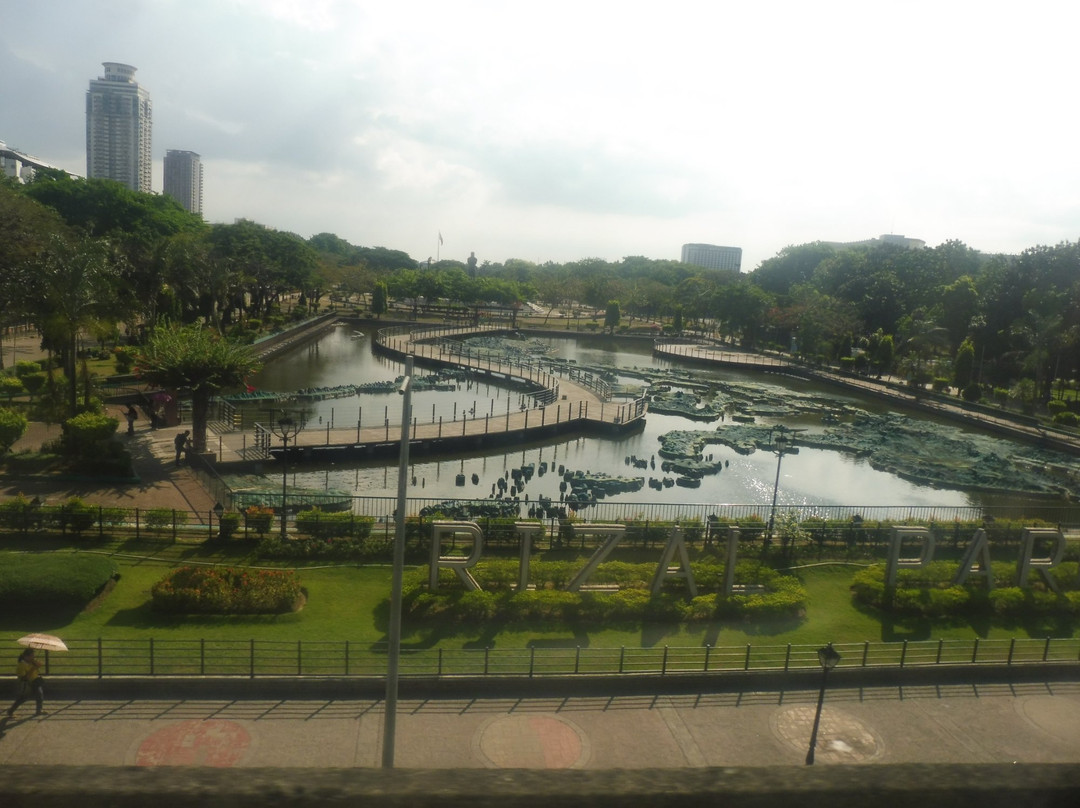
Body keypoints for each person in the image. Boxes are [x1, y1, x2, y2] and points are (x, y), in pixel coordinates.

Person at [6, 647, 44, 717]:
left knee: (39, 695)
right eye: (32, 656)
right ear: (26, 656)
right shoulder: (21, 665)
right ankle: (10, 711)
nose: (33, 658)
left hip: (35, 681)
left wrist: (37, 665)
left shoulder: (31, 662)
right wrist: (33, 668)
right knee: (23, 698)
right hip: (27, 683)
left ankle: (39, 710)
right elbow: (24, 677)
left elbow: (36, 670)